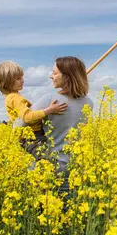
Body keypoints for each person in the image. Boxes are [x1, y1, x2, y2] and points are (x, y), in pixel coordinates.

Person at [33, 56, 94, 191]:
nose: (51, 76)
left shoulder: (50, 100)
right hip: (75, 168)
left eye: (55, 73)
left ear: (67, 76)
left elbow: (20, 125)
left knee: (45, 209)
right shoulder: (89, 103)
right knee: (67, 209)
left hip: (47, 166)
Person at [0, 60, 67, 158]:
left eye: (22, 77)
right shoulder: (15, 98)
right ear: (7, 82)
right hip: (33, 136)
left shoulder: (10, 97)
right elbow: (27, 117)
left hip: (27, 136)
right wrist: (50, 110)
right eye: (18, 78)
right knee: (44, 162)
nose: (22, 80)